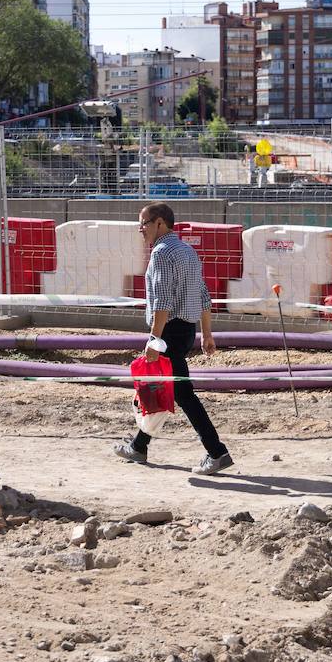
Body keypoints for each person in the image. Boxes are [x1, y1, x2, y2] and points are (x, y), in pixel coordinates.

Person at [113, 202, 234, 476]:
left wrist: (154, 340)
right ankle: (139, 446)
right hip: (186, 330)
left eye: (143, 223)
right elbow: (203, 295)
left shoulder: (162, 253)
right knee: (166, 390)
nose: (140, 229)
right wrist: (206, 333)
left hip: (168, 332)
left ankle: (217, 451)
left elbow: (162, 302)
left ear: (160, 223)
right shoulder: (187, 251)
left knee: (181, 393)